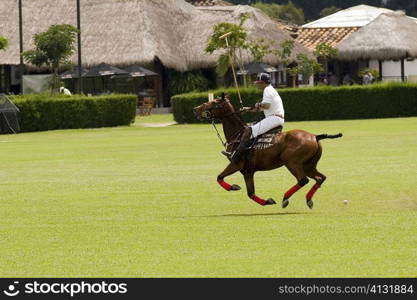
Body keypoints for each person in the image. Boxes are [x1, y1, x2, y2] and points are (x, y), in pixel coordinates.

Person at [228, 73, 285, 163]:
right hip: (275, 118)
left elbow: (266, 105)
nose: (257, 84)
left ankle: (236, 155)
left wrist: (258, 104)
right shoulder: (270, 89)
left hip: (274, 119)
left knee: (249, 130)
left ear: (263, 82)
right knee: (252, 127)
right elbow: (263, 108)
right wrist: (248, 109)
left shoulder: (267, 90)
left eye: (258, 83)